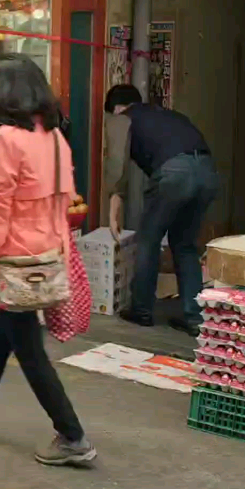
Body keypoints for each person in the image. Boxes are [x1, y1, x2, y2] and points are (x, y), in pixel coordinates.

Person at [0, 56, 95, 467]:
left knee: (28, 349)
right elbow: (63, 201)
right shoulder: (55, 138)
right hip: (47, 252)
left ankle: (72, 434)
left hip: (16, 259)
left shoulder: (6, 140)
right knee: (3, 333)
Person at [103, 84, 219, 337]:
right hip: (207, 172)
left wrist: (114, 202)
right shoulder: (168, 115)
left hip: (174, 174)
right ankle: (195, 317)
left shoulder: (122, 118)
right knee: (185, 244)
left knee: (149, 238)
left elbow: (116, 164)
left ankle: (142, 309)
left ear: (118, 108)